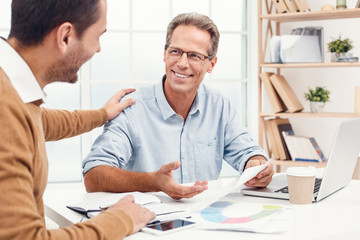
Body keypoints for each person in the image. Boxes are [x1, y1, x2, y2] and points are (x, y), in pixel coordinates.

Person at [0, 0, 156, 239]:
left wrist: (102, 115)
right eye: (98, 36)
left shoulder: (11, 91)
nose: (98, 49)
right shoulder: (5, 108)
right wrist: (121, 219)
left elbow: (40, 122)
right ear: (65, 36)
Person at [82, 12, 274, 199]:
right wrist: (153, 182)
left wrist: (258, 166)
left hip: (206, 222)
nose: (182, 63)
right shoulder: (132, 108)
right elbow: (93, 175)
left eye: (194, 56)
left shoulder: (219, 106)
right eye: (176, 52)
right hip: (148, 222)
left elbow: (248, 152)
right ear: (165, 54)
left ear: (211, 64)